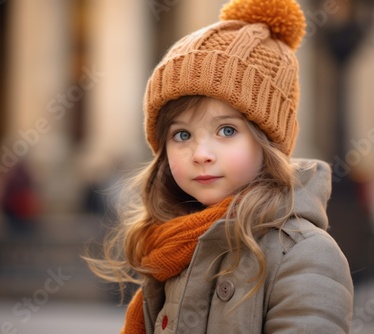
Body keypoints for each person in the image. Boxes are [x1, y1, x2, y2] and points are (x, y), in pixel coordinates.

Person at [86, 0, 354, 333]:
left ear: (267, 141)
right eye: (182, 134)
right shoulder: (170, 249)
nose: (201, 154)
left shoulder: (304, 255)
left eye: (227, 130)